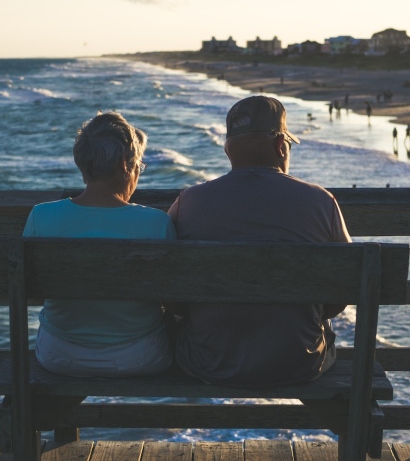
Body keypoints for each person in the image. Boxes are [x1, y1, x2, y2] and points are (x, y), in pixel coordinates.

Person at [168, 96, 351, 387]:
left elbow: (169, 292)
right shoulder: (321, 202)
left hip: (209, 362)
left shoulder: (187, 203)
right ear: (281, 146)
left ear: (228, 150)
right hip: (299, 363)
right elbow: (346, 285)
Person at [23, 111, 175, 377]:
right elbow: (174, 300)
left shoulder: (40, 216)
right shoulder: (156, 223)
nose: (138, 172)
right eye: (138, 165)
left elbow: (33, 292)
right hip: (139, 357)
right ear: (125, 165)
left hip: (58, 355)